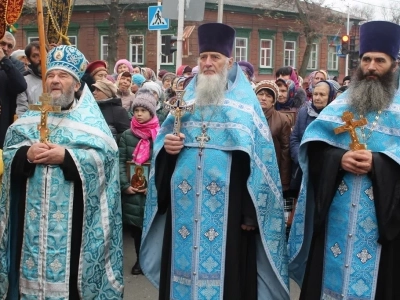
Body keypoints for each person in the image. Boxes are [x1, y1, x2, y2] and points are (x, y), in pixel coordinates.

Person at [140, 22, 289, 300]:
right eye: (203, 57)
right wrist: (167, 151)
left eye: (215, 58)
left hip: (230, 213)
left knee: (227, 279)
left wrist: (248, 214)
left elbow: (258, 166)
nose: (208, 63)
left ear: (228, 62)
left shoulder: (245, 106)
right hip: (183, 208)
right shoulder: (184, 101)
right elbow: (163, 148)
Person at [0, 45, 124, 299]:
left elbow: (106, 160)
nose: (55, 80)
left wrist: (67, 157)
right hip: (29, 225)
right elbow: (9, 154)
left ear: (77, 85)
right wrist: (26, 154)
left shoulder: (91, 126)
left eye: (63, 75)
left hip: (75, 226)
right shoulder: (26, 123)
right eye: (51, 75)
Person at [288, 21, 400, 299]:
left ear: (394, 66)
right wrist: (339, 159)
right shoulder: (339, 107)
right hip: (335, 220)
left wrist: (380, 164)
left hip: (382, 226)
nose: (372, 66)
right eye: (366, 59)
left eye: (379, 60)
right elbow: (313, 151)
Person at [118, 89, 159, 275]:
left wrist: (154, 186)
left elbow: (162, 164)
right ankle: (140, 260)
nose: (139, 114)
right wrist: (125, 185)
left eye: (144, 110)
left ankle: (154, 261)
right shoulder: (127, 135)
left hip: (152, 190)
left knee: (154, 228)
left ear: (152, 112)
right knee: (136, 230)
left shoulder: (159, 134)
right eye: (136, 110)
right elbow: (120, 161)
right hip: (134, 192)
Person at [254, 80, 292, 235]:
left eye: (268, 96)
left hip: (272, 172)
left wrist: (283, 180)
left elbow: (286, 151)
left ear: (273, 100)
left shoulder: (282, 120)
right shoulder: (249, 116)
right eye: (260, 94)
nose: (263, 98)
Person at [0, 31, 27, 148]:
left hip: (4, 120)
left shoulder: (16, 64)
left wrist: (4, 61)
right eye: (2, 43)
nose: (5, 48)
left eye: (10, 46)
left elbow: (20, 86)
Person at [16, 41, 44, 116]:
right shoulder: (24, 80)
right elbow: (22, 111)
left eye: (44, 54)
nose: (41, 59)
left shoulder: (58, 78)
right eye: (35, 56)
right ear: (28, 59)